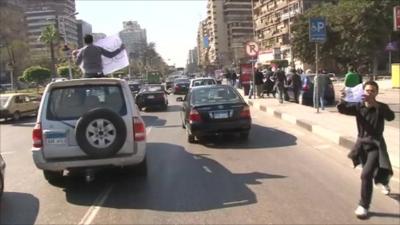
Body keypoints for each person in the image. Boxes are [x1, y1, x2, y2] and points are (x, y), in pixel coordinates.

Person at [337, 80, 395, 219]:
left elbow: (391, 117)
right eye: (367, 90)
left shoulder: (381, 107)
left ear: (376, 92)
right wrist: (343, 97)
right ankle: (384, 181)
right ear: (363, 91)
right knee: (372, 172)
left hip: (376, 146)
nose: (370, 93)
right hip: (361, 146)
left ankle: (363, 205)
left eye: (373, 91)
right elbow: (342, 109)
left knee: (366, 175)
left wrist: (375, 104)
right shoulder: (359, 107)